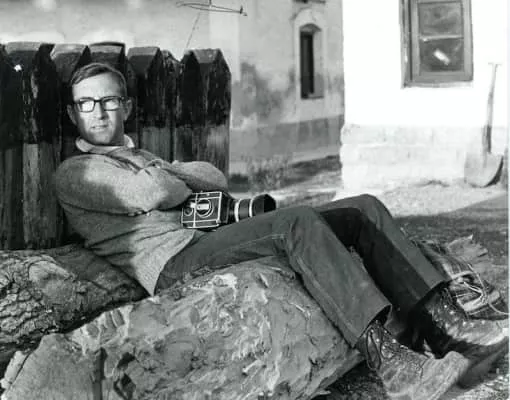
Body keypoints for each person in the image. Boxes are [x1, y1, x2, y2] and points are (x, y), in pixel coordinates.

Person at [54, 62, 507, 400]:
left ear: (126, 107)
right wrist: (167, 176)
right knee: (296, 222)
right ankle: (390, 362)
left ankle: (444, 326)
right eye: (86, 104)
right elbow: (154, 191)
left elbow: (212, 177)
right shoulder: (78, 171)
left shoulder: (140, 157)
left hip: (207, 239)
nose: (99, 112)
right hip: (173, 261)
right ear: (74, 113)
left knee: (362, 208)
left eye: (109, 101)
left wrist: (166, 173)